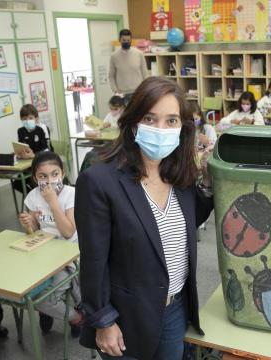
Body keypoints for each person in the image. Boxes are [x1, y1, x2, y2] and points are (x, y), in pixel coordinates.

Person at [75, 77, 214, 359]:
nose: (160, 129)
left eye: (171, 121)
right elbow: (93, 260)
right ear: (133, 120)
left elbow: (187, 222)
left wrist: (209, 183)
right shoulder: (100, 181)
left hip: (174, 308)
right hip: (127, 317)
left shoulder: (179, 174)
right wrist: (104, 320)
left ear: (183, 128)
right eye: (150, 118)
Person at [18, 151, 83, 337]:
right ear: (34, 178)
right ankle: (66, 314)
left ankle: (71, 315)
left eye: (55, 174)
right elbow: (34, 231)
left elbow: (68, 232)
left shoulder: (71, 194)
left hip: (70, 253)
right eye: (42, 176)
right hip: (45, 254)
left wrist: (53, 203)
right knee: (33, 290)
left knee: (73, 293)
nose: (49, 180)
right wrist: (28, 224)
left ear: (62, 173)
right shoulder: (32, 196)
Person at [108, 29, 148, 103]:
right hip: (121, 94)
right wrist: (116, 91)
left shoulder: (139, 54)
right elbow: (111, 76)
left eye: (128, 40)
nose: (126, 42)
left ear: (131, 40)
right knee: (125, 114)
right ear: (119, 40)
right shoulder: (114, 56)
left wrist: (145, 89)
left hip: (138, 91)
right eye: (124, 40)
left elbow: (145, 73)